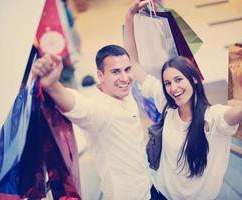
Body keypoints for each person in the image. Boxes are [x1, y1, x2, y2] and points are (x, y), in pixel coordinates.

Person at [124, 1, 242, 199]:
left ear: (194, 79)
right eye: (168, 83)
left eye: (179, 80)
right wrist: (129, 17)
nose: (173, 88)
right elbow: (134, 64)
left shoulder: (215, 118)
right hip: (159, 194)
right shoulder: (167, 104)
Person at [32, 45, 153, 199]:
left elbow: (133, 55)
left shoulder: (123, 92)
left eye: (127, 70)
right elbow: (78, 106)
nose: (125, 78)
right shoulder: (99, 111)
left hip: (148, 185)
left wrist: (130, 19)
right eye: (116, 72)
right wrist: (52, 85)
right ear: (100, 75)